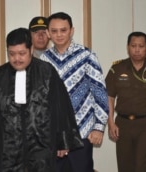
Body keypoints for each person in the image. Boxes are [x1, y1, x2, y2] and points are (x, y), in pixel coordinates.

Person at [0, 28, 84, 172]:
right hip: (8, 151)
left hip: (42, 147)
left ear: (31, 49)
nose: (17, 59)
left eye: (22, 53)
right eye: (12, 54)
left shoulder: (47, 73)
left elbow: (61, 108)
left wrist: (63, 141)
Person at [40, 12, 109, 172]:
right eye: (54, 31)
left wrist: (99, 127)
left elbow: (99, 92)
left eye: (63, 30)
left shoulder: (87, 55)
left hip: (82, 131)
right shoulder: (43, 60)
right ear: (48, 33)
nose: (59, 35)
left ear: (71, 31)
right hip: (53, 133)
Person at [105, 31, 146, 172]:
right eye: (133, 46)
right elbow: (109, 97)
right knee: (125, 166)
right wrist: (111, 122)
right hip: (123, 124)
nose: (137, 49)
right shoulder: (117, 69)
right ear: (127, 47)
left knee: (142, 166)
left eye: (141, 46)